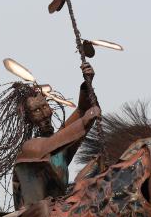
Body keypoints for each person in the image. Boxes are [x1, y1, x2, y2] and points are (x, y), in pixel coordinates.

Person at [11, 62, 100, 209]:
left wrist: (87, 83)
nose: (44, 114)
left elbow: (83, 110)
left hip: (59, 211)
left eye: (45, 107)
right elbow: (49, 145)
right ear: (29, 119)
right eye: (37, 111)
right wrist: (84, 120)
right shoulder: (29, 149)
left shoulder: (60, 146)